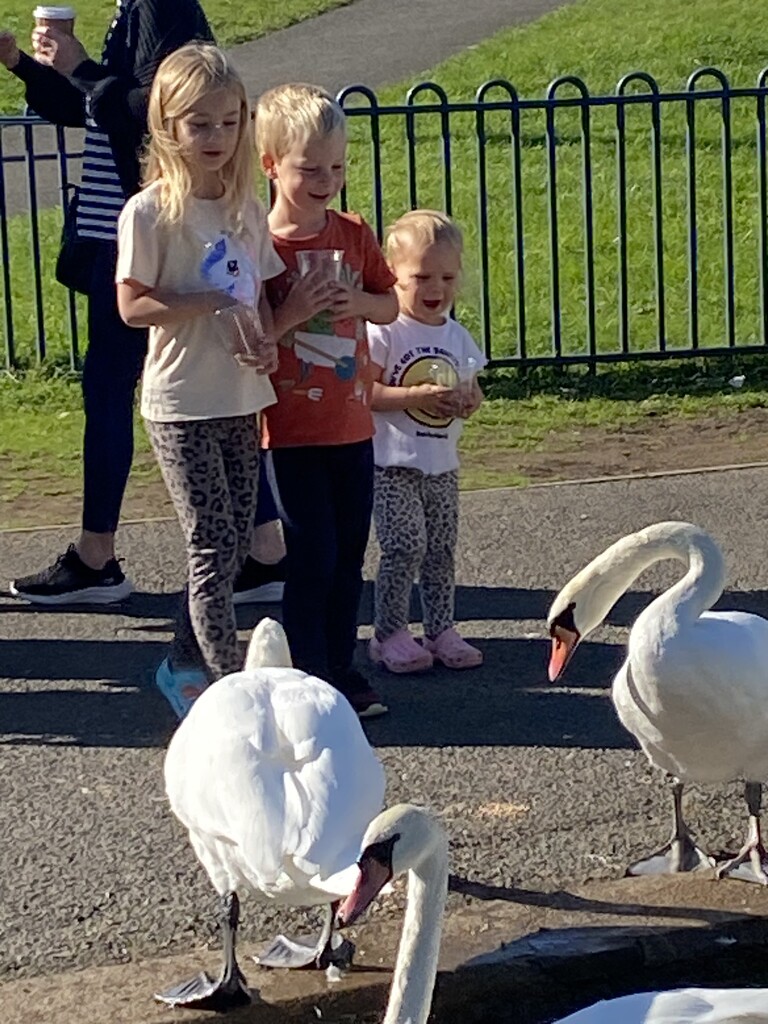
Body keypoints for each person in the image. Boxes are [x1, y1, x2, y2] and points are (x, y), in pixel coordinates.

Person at [0, 0, 213, 605]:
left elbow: (158, 110)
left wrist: (84, 67)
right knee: (174, 387)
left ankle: (99, 559)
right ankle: (265, 551)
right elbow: (89, 112)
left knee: (120, 388)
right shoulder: (139, 7)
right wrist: (25, 64)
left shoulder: (159, 4)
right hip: (116, 229)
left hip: (143, 233)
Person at [116, 43, 283, 718]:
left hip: (240, 393)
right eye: (200, 125)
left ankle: (182, 661)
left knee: (236, 541)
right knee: (211, 542)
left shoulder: (246, 205)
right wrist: (207, 301)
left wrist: (268, 341)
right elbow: (133, 305)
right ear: (169, 127)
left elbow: (262, 294)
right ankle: (227, 690)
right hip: (181, 400)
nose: (216, 138)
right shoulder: (151, 211)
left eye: (228, 122)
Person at [254, 82, 399, 719]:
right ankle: (307, 675)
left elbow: (389, 301)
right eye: (310, 169)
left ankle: (342, 667)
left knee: (347, 555)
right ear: (271, 166)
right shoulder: (259, 245)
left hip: (351, 424)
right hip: (288, 430)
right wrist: (293, 310)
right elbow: (253, 333)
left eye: (336, 168)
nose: (326, 180)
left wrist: (359, 304)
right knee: (310, 554)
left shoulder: (354, 232)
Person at [366, 210, 486, 673]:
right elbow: (366, 393)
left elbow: (472, 389)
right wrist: (412, 397)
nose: (435, 288)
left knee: (440, 548)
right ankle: (389, 632)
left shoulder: (456, 336)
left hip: (441, 462)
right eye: (421, 277)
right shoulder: (385, 331)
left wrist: (469, 400)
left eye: (446, 277)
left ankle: (441, 628)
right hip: (391, 461)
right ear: (394, 274)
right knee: (404, 545)